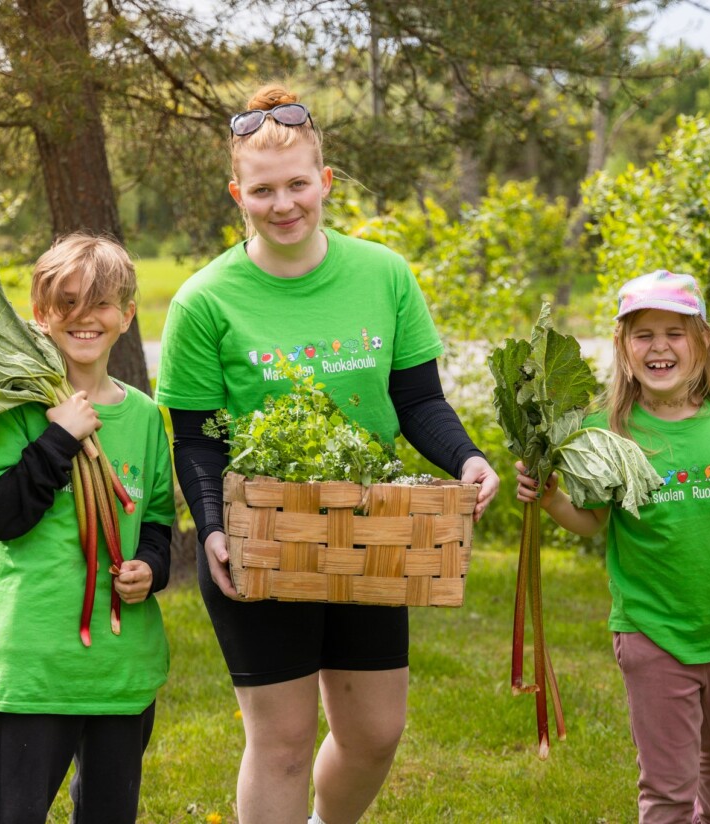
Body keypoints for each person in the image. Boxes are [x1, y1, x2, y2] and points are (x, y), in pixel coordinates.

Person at [156, 84, 500, 824]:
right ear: (237, 194)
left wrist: (466, 460)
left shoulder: (383, 275)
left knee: (376, 734)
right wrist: (213, 525)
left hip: (365, 533)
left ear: (326, 182)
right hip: (261, 536)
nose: (284, 204)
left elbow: (418, 402)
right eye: (263, 190)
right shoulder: (204, 300)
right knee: (280, 742)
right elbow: (194, 437)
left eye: (298, 185)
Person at [515, 270, 710, 824]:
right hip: (652, 630)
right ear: (623, 346)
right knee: (667, 788)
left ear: (703, 341)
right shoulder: (603, 427)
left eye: (675, 332)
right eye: (643, 334)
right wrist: (549, 500)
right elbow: (591, 521)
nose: (659, 346)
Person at [0, 233, 176, 823]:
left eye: (102, 304)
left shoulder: (142, 415)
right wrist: (58, 437)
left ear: (128, 315)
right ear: (40, 315)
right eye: (66, 305)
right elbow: (1, 517)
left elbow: (157, 518)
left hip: (119, 674)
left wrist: (152, 569)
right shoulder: (14, 411)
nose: (85, 318)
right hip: (33, 669)